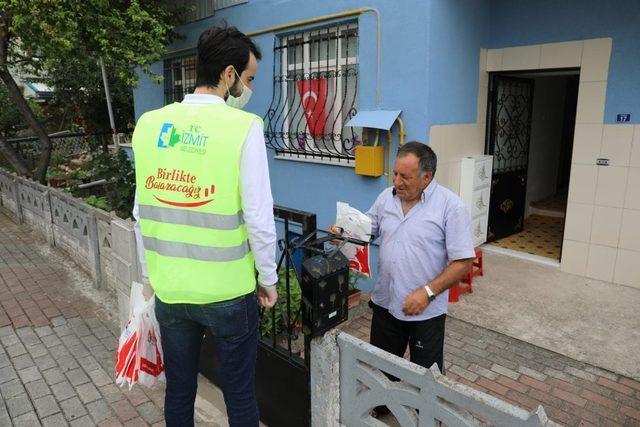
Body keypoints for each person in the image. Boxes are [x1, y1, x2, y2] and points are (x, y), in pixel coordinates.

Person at [131, 26, 278, 427]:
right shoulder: (243, 128)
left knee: (179, 390)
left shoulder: (149, 125)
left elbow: (141, 212)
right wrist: (268, 279)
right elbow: (260, 219)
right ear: (228, 75)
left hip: (172, 291)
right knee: (240, 394)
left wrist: (148, 277)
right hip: (228, 294)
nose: (248, 90)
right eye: (248, 80)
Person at [330, 142, 474, 412]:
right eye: (395, 174)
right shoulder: (387, 197)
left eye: (405, 176)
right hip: (386, 302)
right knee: (381, 368)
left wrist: (427, 292)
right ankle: (382, 411)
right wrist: (346, 229)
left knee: (426, 379)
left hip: (425, 311)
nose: (396, 182)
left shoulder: (450, 207)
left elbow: (463, 261)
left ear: (426, 177)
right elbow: (369, 228)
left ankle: (426, 418)